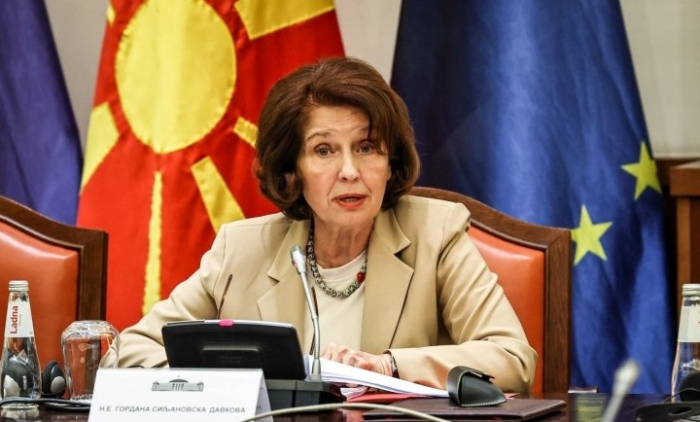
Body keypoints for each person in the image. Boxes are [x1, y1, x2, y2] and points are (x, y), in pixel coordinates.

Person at [114, 56, 536, 392]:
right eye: (324, 151)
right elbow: (131, 350)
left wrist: (388, 365)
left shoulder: (435, 235)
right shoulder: (241, 251)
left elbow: (512, 359)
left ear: (390, 162)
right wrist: (237, 386)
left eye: (366, 147)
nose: (350, 171)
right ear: (291, 171)